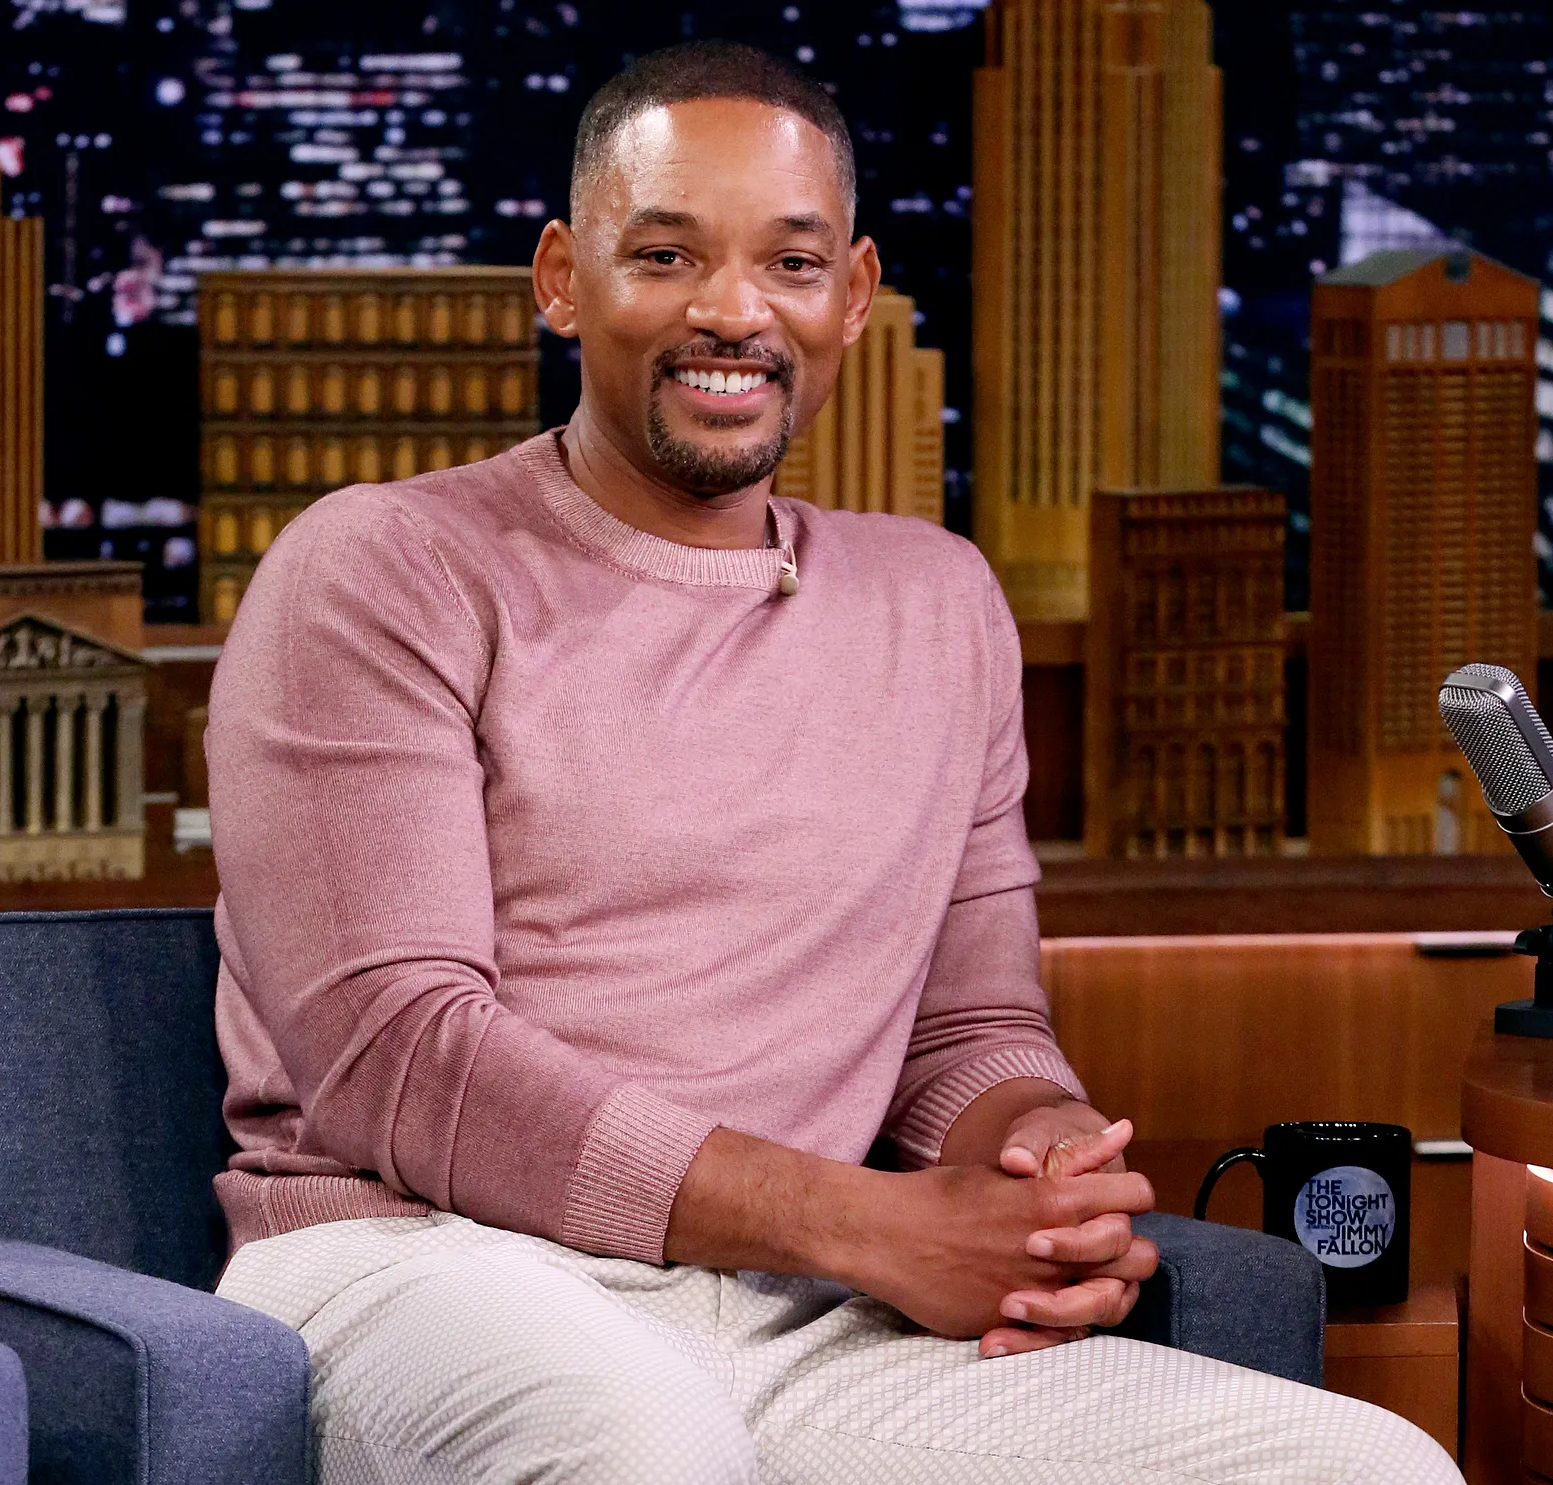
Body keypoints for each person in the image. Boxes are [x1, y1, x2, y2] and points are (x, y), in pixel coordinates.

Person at [209, 40, 1460, 1485]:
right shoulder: (384, 568)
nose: (733, 311)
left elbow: (967, 1030)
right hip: (424, 1265)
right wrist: (868, 1226)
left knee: (1373, 1470)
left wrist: (1042, 1160)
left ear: (852, 297)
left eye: (790, 265)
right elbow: (399, 1058)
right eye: (666, 255)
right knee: (648, 1448)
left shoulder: (940, 604)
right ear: (563, 279)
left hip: (796, 1314)